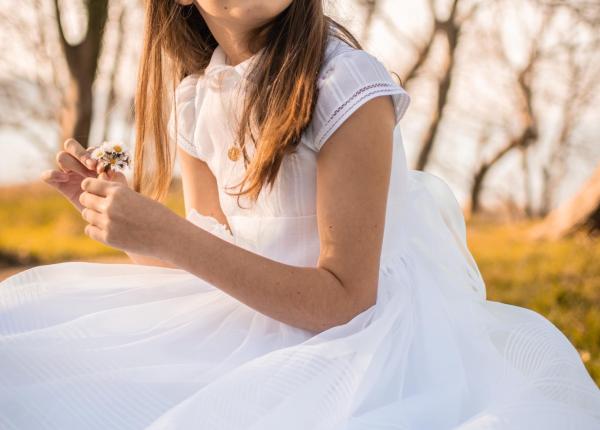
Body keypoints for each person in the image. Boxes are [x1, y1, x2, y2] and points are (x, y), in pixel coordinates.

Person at [1, 0, 599, 428]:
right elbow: (206, 254)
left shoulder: (346, 87)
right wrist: (124, 220)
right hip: (242, 317)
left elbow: (346, 299)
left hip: (353, 340)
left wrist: (172, 235)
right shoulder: (196, 98)